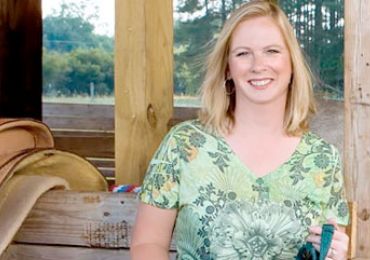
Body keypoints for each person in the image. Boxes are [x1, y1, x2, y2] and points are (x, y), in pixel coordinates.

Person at [130, 1, 350, 259]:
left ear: (292, 63)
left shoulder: (323, 159)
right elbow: (148, 244)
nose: (258, 65)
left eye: (272, 51)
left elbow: (325, 249)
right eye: (243, 53)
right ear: (227, 68)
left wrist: (336, 254)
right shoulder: (184, 144)